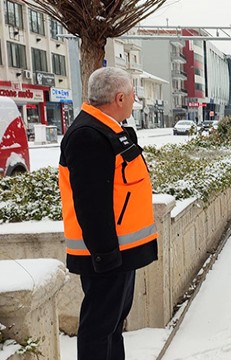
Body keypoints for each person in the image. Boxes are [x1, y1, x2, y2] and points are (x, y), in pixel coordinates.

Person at [59, 67, 158, 360]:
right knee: (99, 330)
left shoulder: (107, 129)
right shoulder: (88, 136)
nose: (134, 100)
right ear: (119, 97)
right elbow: (91, 204)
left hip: (119, 253)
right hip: (106, 255)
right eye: (132, 95)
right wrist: (105, 255)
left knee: (112, 327)